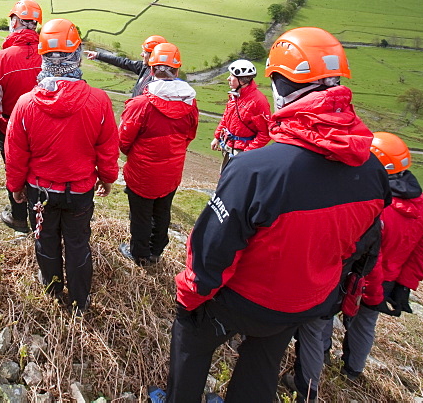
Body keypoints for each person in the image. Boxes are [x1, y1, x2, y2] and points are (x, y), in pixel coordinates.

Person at [163, 26, 390, 403]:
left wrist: (190, 296)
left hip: (242, 298)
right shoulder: (372, 170)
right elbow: (363, 245)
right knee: (262, 365)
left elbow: (212, 250)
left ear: (281, 85)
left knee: (191, 338)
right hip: (304, 302)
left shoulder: (256, 169)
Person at [288, 132, 423, 400]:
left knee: (322, 318)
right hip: (385, 280)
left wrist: (375, 289)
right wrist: (404, 284)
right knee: (365, 325)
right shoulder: (422, 204)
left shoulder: (375, 201)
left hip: (354, 276)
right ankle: (352, 370)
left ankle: (318, 363)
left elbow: (371, 254)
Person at [5, 18, 119, 313]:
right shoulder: (98, 101)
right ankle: (80, 301)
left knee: (46, 241)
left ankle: (53, 292)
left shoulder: (26, 104)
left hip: (40, 190)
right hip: (79, 191)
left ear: (42, 57)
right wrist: (107, 178)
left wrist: (15, 187)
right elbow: (107, 147)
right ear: (77, 54)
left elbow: (16, 152)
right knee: (78, 243)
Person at [117, 42, 199, 266]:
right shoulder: (190, 104)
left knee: (141, 215)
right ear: (177, 70)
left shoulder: (140, 105)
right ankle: (156, 251)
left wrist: (134, 155)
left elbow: (123, 140)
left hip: (142, 173)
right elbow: (190, 135)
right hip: (171, 172)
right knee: (162, 211)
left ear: (151, 70)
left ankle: (140, 254)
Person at [0, 0, 43, 233]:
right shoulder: (49, 55)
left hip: (11, 128)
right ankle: (40, 221)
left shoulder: (2, 58)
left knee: (15, 171)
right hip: (44, 130)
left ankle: (18, 219)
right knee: (38, 173)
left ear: (15, 21)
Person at [211, 59, 271, 171]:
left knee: (236, 182)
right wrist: (217, 137)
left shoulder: (258, 101)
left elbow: (265, 133)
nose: (228, 79)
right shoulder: (235, 96)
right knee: (224, 177)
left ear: (242, 81)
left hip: (243, 151)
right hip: (229, 146)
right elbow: (226, 118)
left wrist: (247, 153)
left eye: (232, 76)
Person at [85, 34, 167, 98]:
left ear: (154, 55)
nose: (141, 54)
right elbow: (123, 62)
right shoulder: (145, 67)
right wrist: (98, 55)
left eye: (145, 52)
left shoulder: (161, 83)